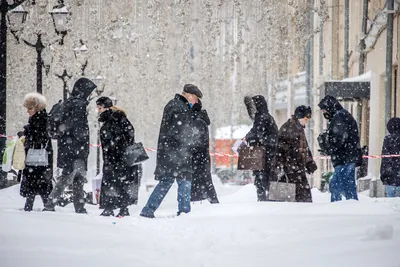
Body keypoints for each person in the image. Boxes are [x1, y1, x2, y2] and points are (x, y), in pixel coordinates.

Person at [140, 84, 201, 218]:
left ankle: (148, 210)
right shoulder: (180, 108)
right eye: (195, 98)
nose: (196, 101)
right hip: (178, 153)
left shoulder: (175, 105)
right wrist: (189, 143)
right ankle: (184, 211)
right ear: (189, 95)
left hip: (170, 152)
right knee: (184, 179)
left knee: (167, 181)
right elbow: (180, 131)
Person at [43, 77, 97, 213]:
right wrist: (82, 140)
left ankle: (79, 206)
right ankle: (51, 203)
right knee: (69, 178)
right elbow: (78, 128)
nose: (90, 94)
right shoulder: (78, 105)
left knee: (76, 178)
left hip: (68, 148)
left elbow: (67, 126)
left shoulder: (69, 103)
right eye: (89, 91)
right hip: (75, 149)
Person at [96, 96, 140, 216]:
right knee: (116, 182)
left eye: (99, 108)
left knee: (116, 182)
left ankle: (117, 208)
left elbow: (129, 134)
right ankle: (115, 207)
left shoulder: (116, 118)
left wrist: (118, 146)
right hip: (114, 157)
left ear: (105, 107)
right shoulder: (112, 119)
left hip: (118, 158)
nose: (98, 111)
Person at [318, 95, 362, 202]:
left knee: (336, 186)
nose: (324, 113)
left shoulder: (339, 117)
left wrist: (328, 147)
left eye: (324, 110)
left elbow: (339, 138)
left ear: (330, 108)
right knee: (348, 186)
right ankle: (351, 207)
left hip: (344, 158)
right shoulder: (342, 115)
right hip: (348, 157)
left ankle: (338, 208)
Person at [275, 105, 317, 202]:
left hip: (297, 168)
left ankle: (302, 211)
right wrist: (285, 164)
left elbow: (304, 147)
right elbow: (280, 150)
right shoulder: (289, 128)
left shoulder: (298, 128)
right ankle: (299, 213)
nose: (307, 120)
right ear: (300, 117)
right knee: (299, 196)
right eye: (306, 118)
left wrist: (309, 162)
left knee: (303, 194)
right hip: (291, 169)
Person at [20, 93, 53, 211]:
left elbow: (40, 137)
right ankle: (45, 205)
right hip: (41, 157)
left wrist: (27, 132)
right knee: (41, 182)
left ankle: (35, 206)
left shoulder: (41, 119)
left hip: (37, 156)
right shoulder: (41, 118)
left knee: (35, 180)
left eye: (30, 108)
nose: (28, 111)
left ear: (37, 107)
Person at [243, 95, 278, 201]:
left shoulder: (262, 117)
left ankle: (265, 201)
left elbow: (258, 134)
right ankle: (266, 199)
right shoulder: (265, 116)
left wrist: (248, 139)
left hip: (264, 155)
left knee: (262, 180)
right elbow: (255, 131)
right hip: (267, 154)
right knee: (262, 179)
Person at [190, 100, 219, 204]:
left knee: (205, 182)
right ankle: (212, 201)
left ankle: (214, 202)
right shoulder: (200, 119)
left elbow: (197, 142)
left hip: (198, 158)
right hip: (202, 157)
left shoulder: (197, 121)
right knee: (205, 181)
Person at [380, 117, 400, 197]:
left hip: (390, 176)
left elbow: (385, 158)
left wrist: (383, 174)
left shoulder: (388, 139)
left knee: (390, 200)